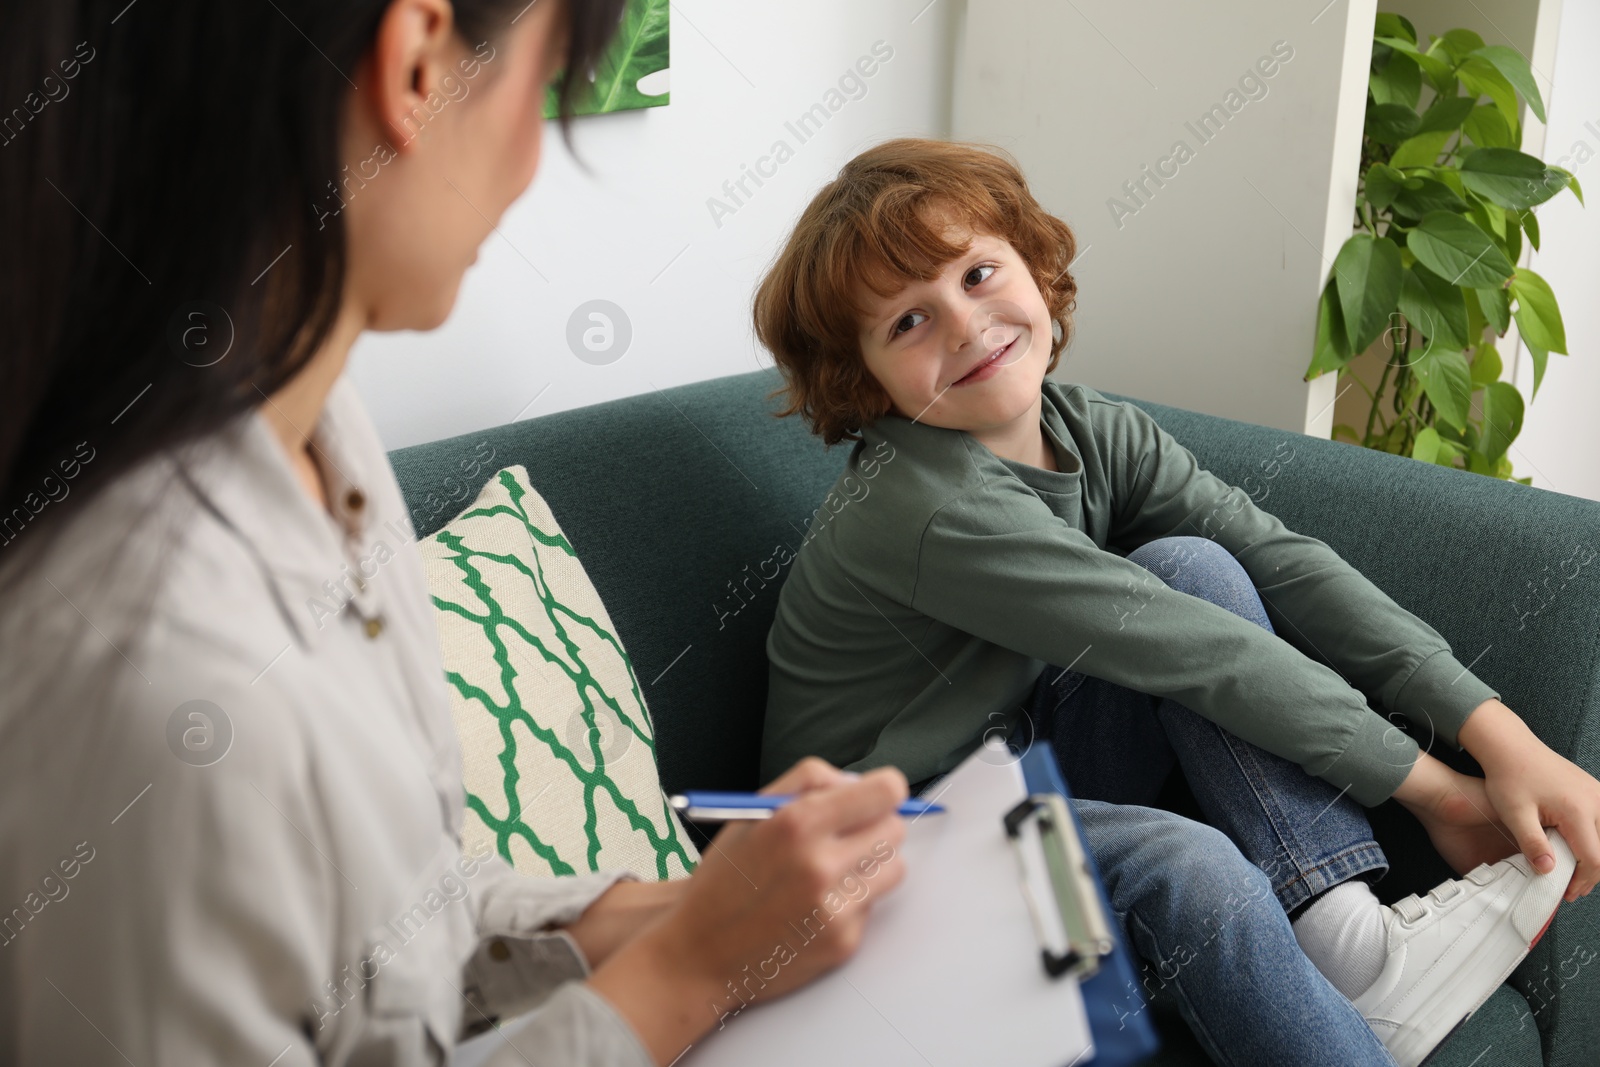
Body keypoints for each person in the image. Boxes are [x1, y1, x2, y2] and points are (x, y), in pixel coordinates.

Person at [0, 2, 913, 1065]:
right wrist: (690, 972)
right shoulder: (153, 673)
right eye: (543, 89)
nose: (530, 167)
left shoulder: (319, 429)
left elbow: (385, 914)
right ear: (417, 67)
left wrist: (658, 913)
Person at [754, 137, 1600, 1067]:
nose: (962, 324)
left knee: (1193, 561)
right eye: (906, 323)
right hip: (888, 871)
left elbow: (1278, 564)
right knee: (1190, 868)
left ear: (1036, 269)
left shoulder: (1087, 427)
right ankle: (1351, 1004)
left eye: (978, 272)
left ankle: (1349, 945)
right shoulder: (926, 507)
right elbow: (1193, 652)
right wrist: (1439, 792)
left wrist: (1498, 732)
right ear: (865, 380)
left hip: (1019, 775)